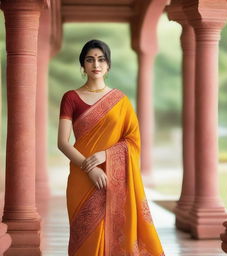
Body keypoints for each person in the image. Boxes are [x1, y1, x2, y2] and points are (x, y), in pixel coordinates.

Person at [57, 39, 165, 256]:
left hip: (114, 178)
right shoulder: (71, 98)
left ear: (108, 66)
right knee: (86, 240)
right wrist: (91, 168)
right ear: (83, 65)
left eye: (101, 59)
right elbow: (62, 142)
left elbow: (133, 141)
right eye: (90, 60)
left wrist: (105, 155)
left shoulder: (120, 101)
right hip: (82, 177)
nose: (95, 64)